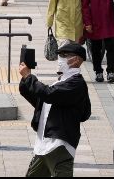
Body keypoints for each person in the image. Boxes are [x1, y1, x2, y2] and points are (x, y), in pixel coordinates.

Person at [19, 43, 91, 178]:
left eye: (64, 56)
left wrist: (29, 77)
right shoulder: (61, 81)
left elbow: (48, 94)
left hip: (59, 145)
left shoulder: (76, 83)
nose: (60, 59)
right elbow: (42, 100)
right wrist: (25, 81)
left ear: (76, 60)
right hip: (43, 144)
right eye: (60, 55)